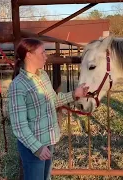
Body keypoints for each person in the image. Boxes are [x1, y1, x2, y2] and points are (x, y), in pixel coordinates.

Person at [7, 38, 89, 180]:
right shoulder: (18, 86)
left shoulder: (43, 75)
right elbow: (19, 126)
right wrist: (37, 148)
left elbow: (53, 101)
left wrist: (75, 94)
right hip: (33, 148)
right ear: (29, 55)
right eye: (43, 53)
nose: (46, 56)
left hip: (48, 141)